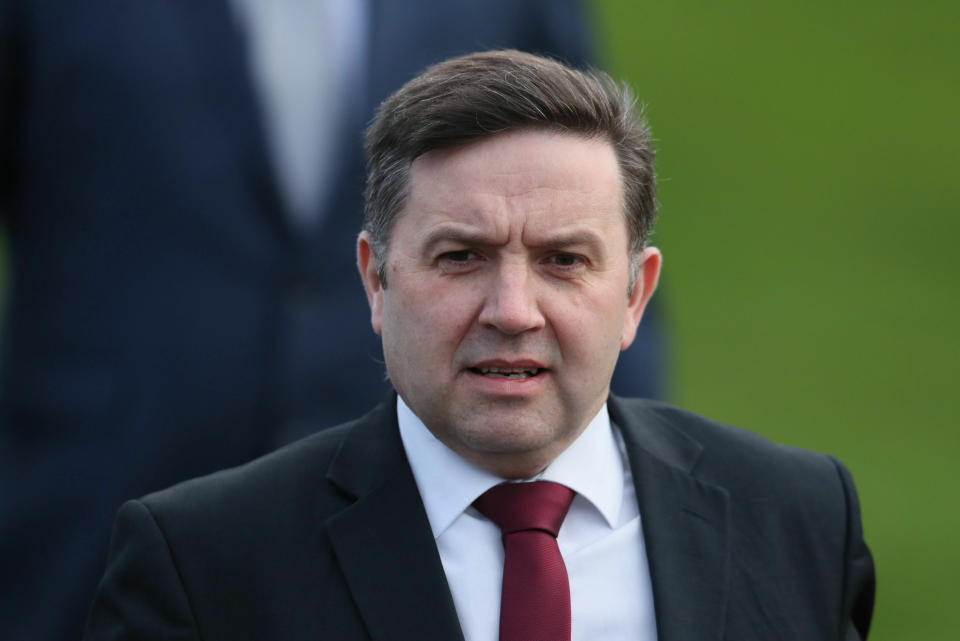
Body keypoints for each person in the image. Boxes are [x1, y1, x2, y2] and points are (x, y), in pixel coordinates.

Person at [83, 50, 874, 641]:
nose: (512, 309)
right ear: (376, 280)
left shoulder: (798, 520)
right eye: (460, 255)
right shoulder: (204, 563)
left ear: (635, 294)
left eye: (564, 260)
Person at [0, 4, 656, 640]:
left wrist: (640, 489)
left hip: (423, 514)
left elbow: (581, 199)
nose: (516, 307)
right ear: (373, 274)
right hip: (94, 501)